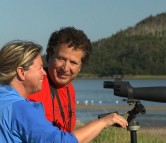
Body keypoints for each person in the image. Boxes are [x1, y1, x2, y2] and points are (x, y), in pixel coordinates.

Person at [0, 40, 128, 143]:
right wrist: (103, 122)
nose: (44, 72)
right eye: (39, 68)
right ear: (21, 72)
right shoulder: (21, 109)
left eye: (73, 62)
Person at [27, 27, 92, 132]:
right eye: (61, 59)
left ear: (80, 66)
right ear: (50, 56)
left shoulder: (69, 88)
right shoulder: (33, 85)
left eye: (73, 62)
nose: (66, 68)